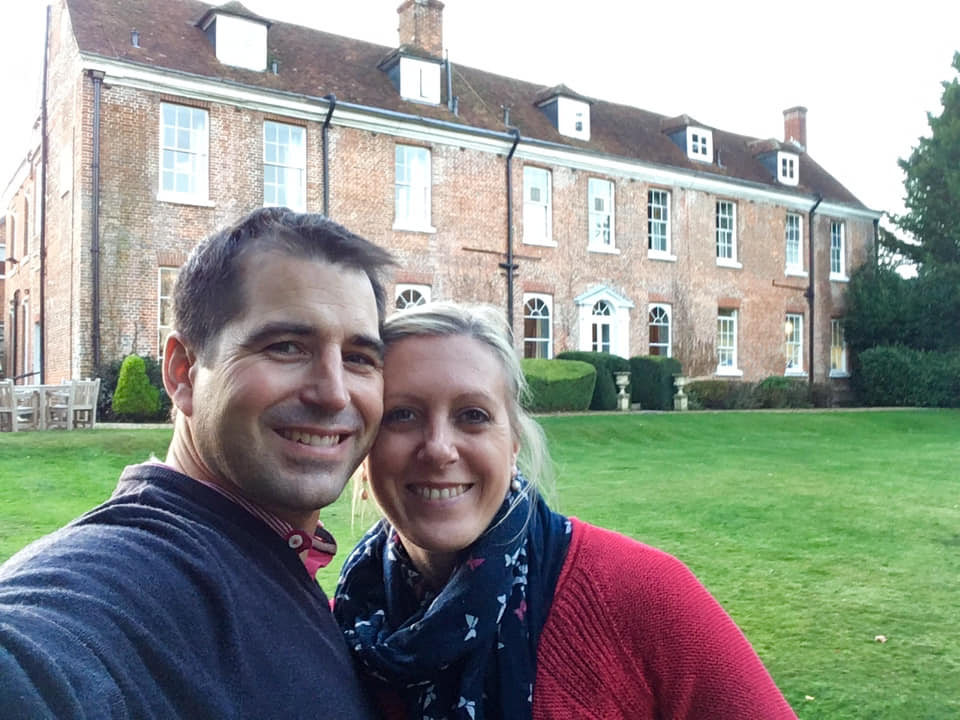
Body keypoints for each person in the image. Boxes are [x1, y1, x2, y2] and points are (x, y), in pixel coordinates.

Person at [0, 207, 393, 718]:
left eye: (359, 358)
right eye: (287, 347)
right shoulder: (132, 578)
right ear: (183, 372)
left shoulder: (273, 556)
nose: (334, 392)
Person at [334, 301, 798, 720]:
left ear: (512, 444)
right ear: (364, 444)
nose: (438, 449)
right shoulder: (338, 628)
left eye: (472, 415)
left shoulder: (640, 594)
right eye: (402, 415)